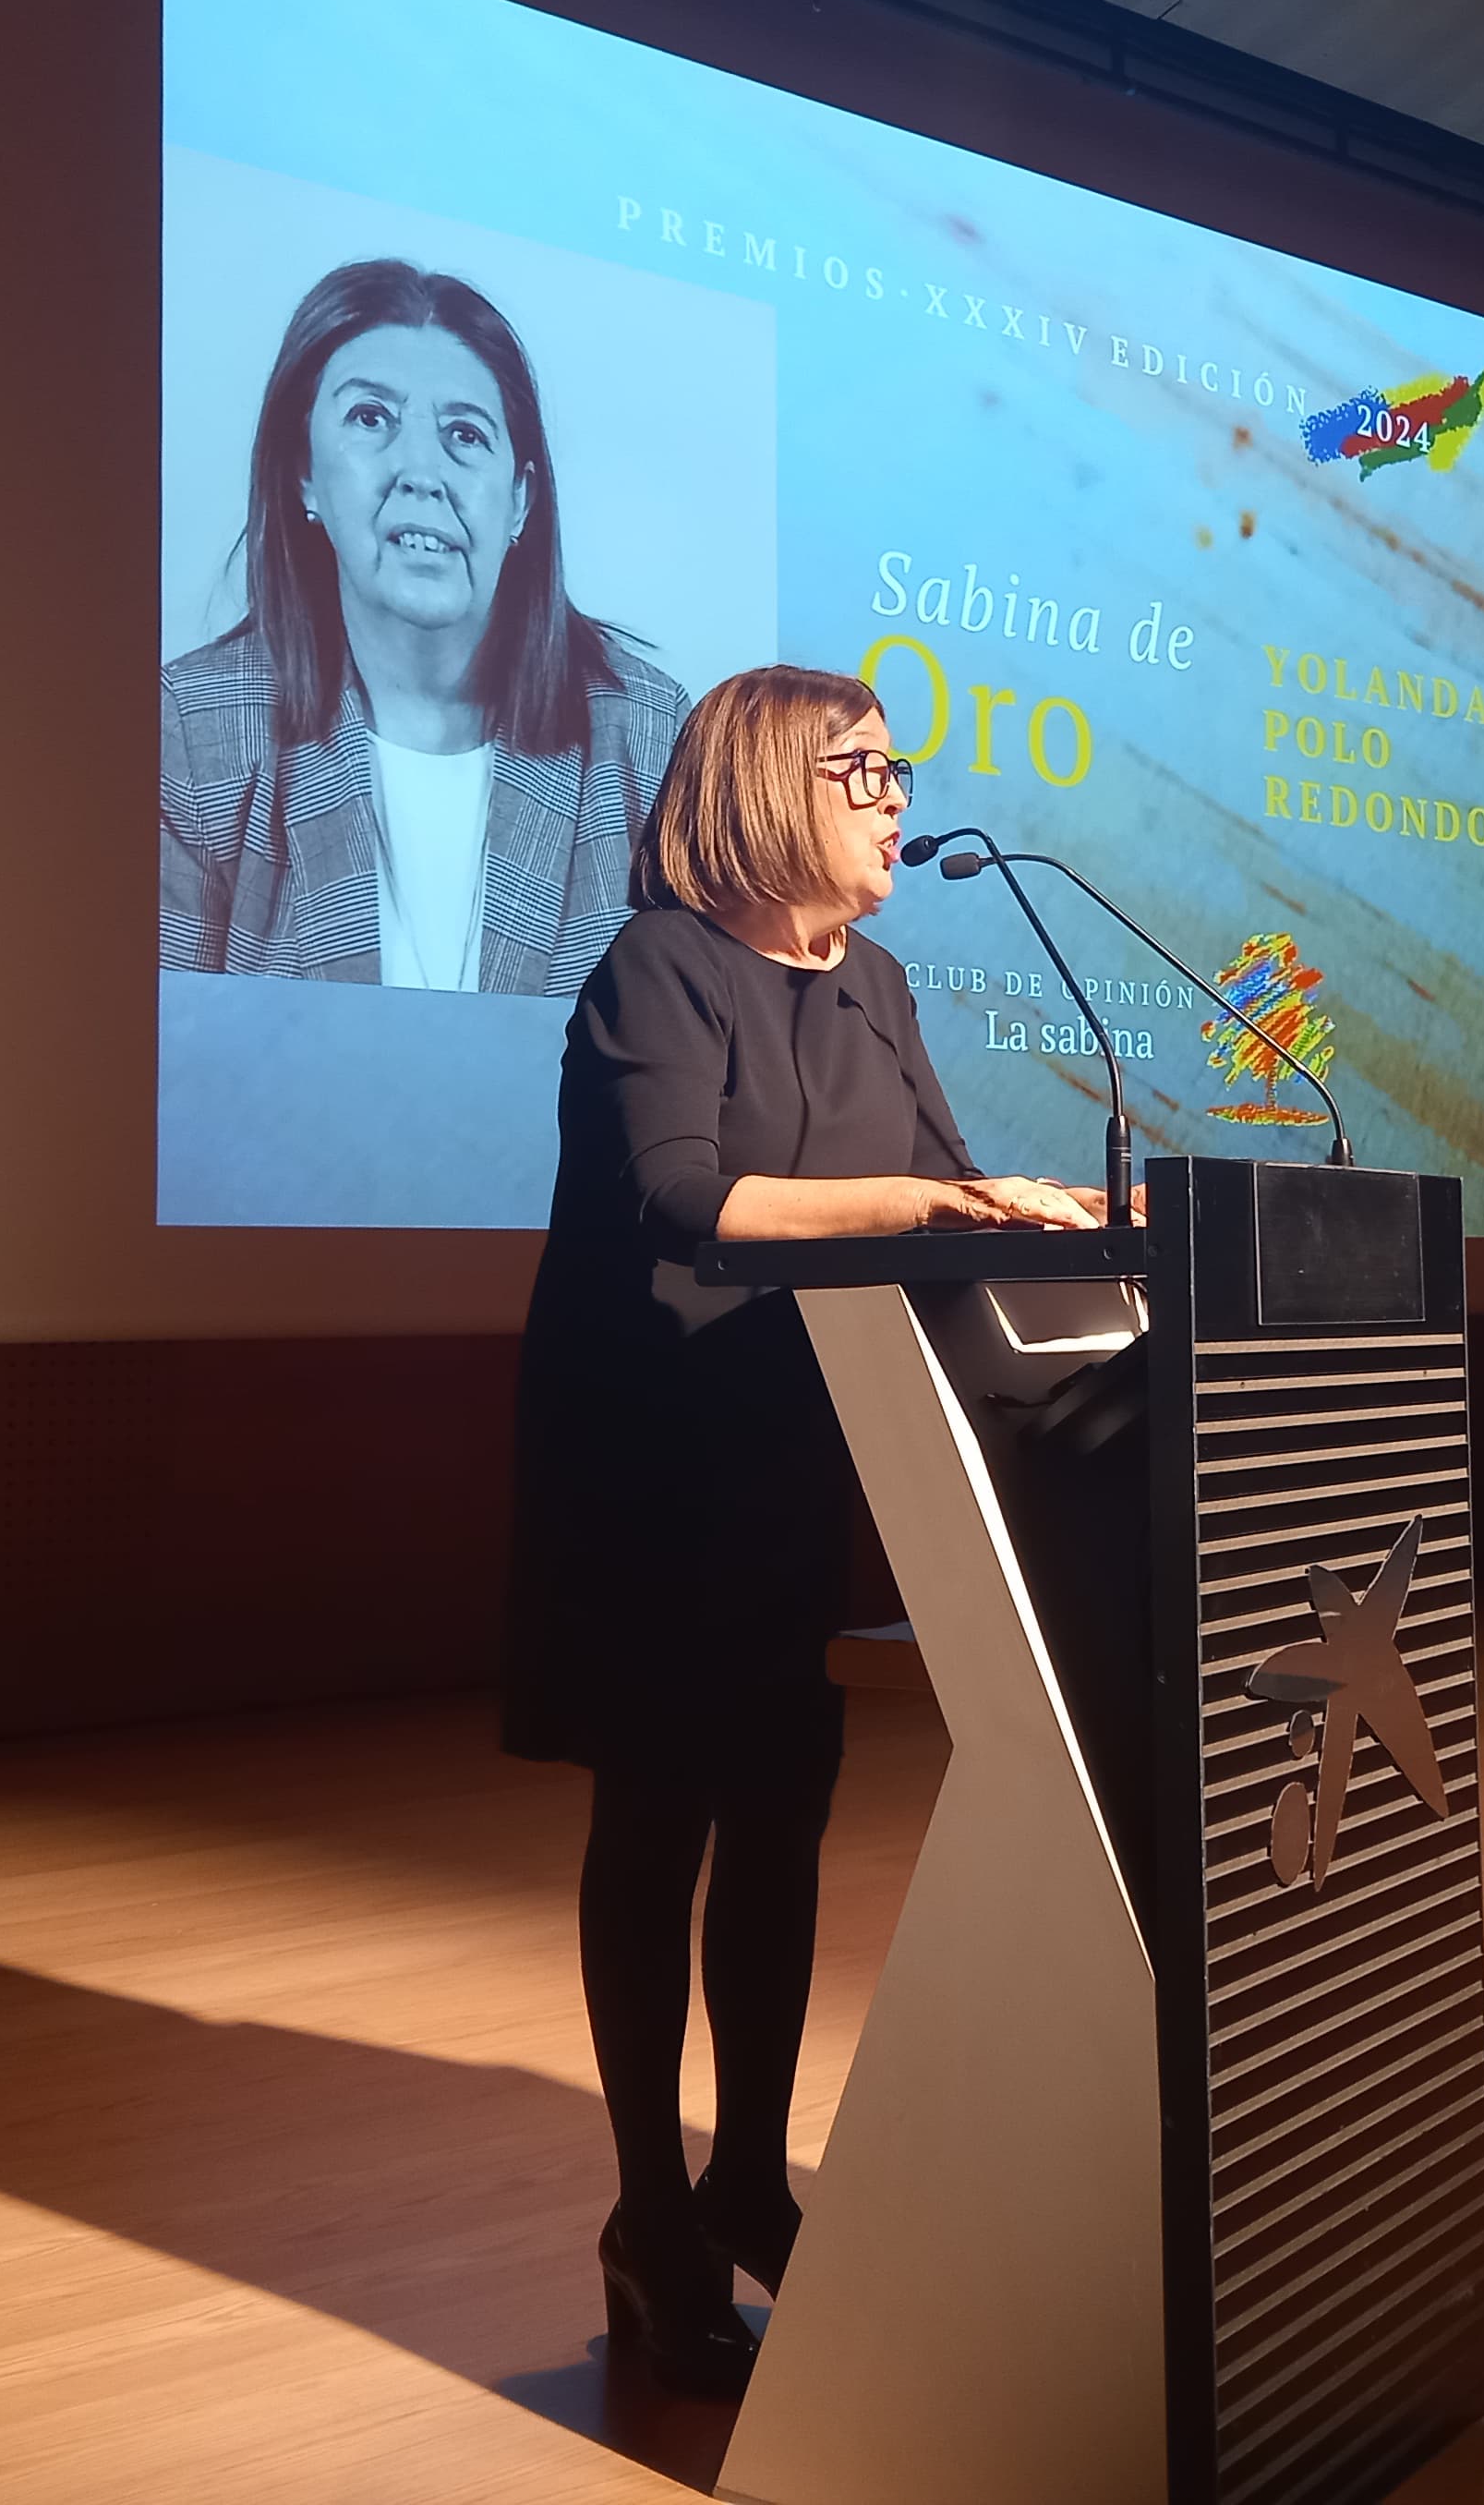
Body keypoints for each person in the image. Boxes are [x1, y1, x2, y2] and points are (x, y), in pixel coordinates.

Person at [503, 664, 1105, 2398]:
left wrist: (1053, 1221)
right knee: (661, 1818)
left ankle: (750, 2181)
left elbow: (944, 1187)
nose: (900, 800)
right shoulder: (661, 968)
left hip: (798, 1452)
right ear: (770, 786)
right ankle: (651, 2217)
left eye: (901, 772)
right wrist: (931, 1199)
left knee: (780, 1816)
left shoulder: (878, 986)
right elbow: (684, 1196)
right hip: (650, 1457)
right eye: (867, 772)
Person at [162, 259, 684, 995]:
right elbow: (161, 1049)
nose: (421, 472)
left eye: (464, 434)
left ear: (520, 499)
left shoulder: (648, 735)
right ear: (304, 474)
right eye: (370, 419)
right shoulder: (195, 732)